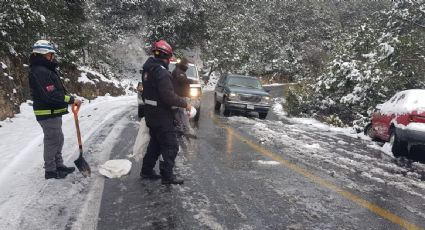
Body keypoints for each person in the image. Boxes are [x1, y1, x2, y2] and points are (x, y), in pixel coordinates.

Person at [28, 40, 82, 179]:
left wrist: (70, 98)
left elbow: (58, 90)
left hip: (53, 111)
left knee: (58, 139)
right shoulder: (39, 70)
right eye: (50, 54)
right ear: (43, 54)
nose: (52, 57)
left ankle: (59, 165)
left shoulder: (46, 69)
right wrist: (70, 100)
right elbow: (49, 94)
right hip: (47, 112)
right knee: (53, 140)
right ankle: (51, 171)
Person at [140, 40, 192, 185]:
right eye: (169, 57)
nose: (169, 61)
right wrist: (184, 103)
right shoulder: (161, 72)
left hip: (151, 113)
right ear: (165, 56)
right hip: (162, 116)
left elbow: (146, 94)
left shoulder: (147, 70)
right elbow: (168, 96)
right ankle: (167, 176)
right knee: (170, 146)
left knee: (155, 144)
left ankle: (146, 170)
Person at [171, 57, 197, 138]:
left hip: (180, 95)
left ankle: (180, 129)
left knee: (180, 113)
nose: (187, 66)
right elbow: (181, 79)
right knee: (183, 113)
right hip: (179, 96)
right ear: (183, 64)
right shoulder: (178, 71)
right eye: (187, 65)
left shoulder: (179, 70)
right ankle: (184, 130)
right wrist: (192, 81)